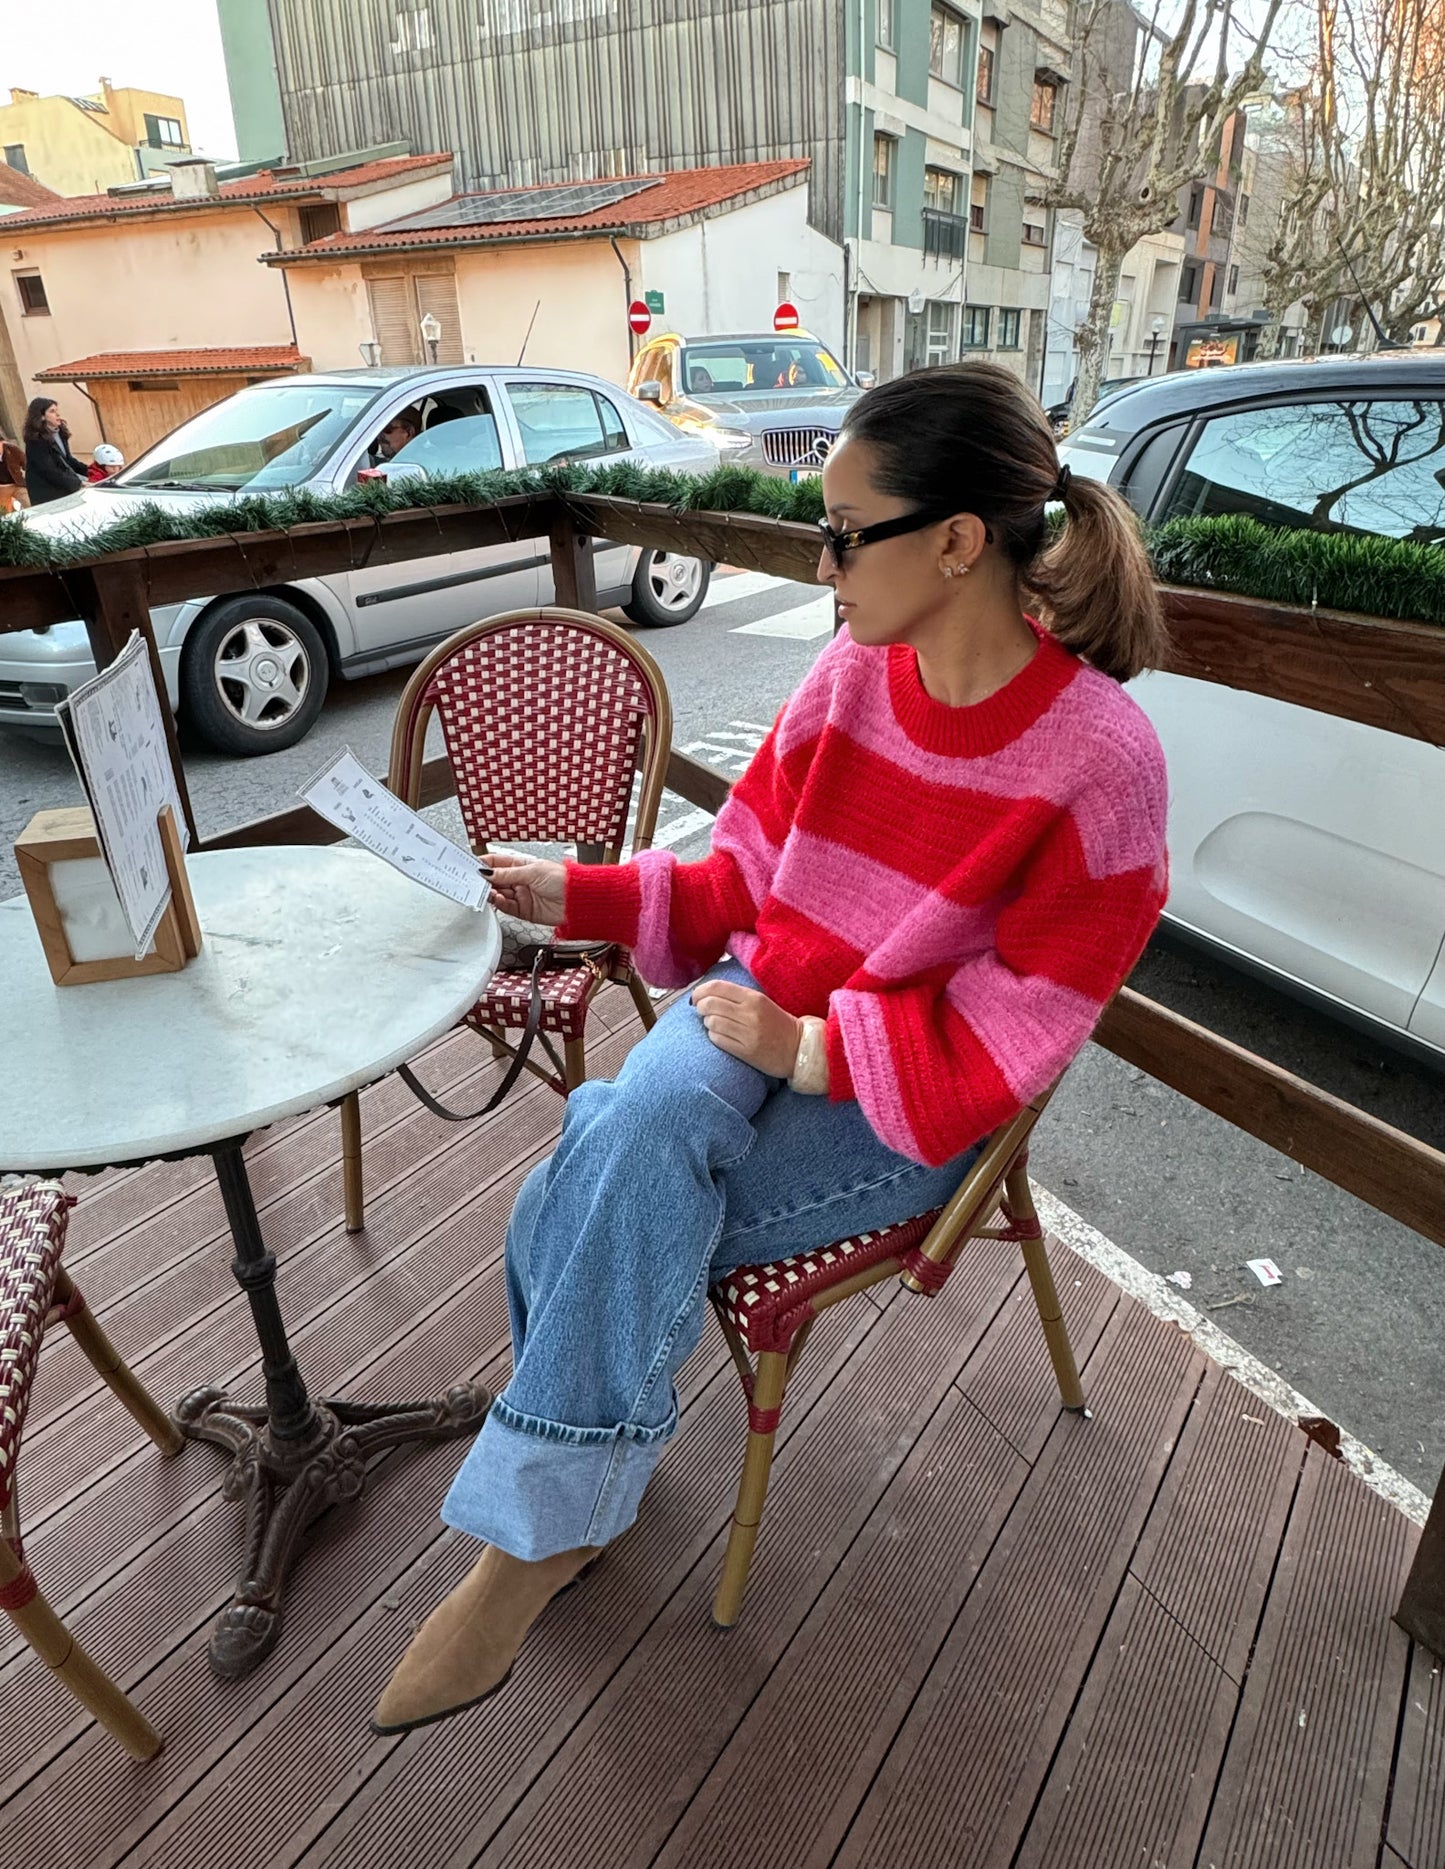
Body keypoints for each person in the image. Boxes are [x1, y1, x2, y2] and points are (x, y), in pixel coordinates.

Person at [370, 361, 1171, 1736]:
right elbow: (742, 871)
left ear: (956, 541)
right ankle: (559, 1511)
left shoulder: (1103, 762)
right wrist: (579, 894)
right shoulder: (849, 671)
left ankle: (535, 1541)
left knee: (586, 1173)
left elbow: (1024, 1028)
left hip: (904, 1096)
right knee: (618, 1147)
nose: (822, 564)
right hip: (760, 1004)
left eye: (844, 533)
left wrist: (813, 1050)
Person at [22, 398, 86, 505]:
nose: (58, 414)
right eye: (52, 411)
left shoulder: (60, 433)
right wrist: (78, 483)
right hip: (48, 493)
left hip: (64, 487)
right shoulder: (35, 440)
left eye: (57, 410)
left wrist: (91, 470)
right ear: (42, 416)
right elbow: (49, 470)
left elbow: (67, 460)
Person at [0, 434, 24, 514]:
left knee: (30, 502)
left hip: (17, 484)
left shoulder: (12, 449)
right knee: (4, 513)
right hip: (1, 489)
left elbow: (27, 464)